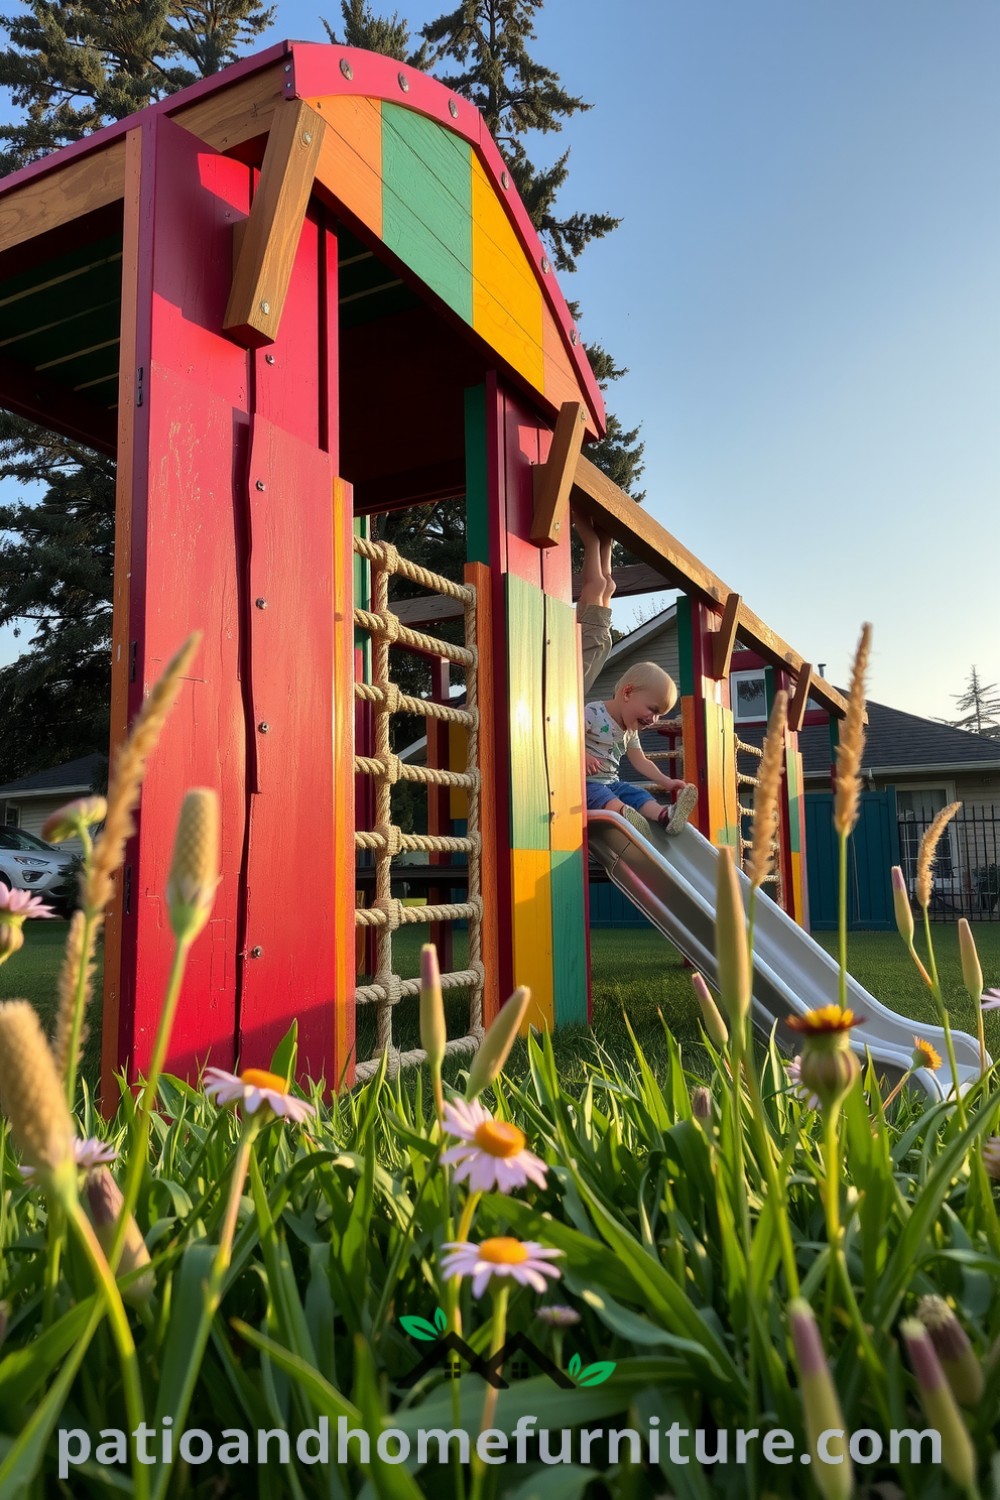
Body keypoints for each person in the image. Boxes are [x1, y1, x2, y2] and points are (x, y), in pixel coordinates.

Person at [575, 510, 697, 836]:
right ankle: (587, 530)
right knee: (602, 583)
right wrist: (582, 753)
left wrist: (667, 781)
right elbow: (561, 732)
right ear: (628, 692)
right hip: (584, 787)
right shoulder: (591, 710)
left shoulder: (628, 729)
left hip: (609, 785)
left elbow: (641, 763)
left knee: (608, 584)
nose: (654, 719)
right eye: (653, 710)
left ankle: (662, 815)